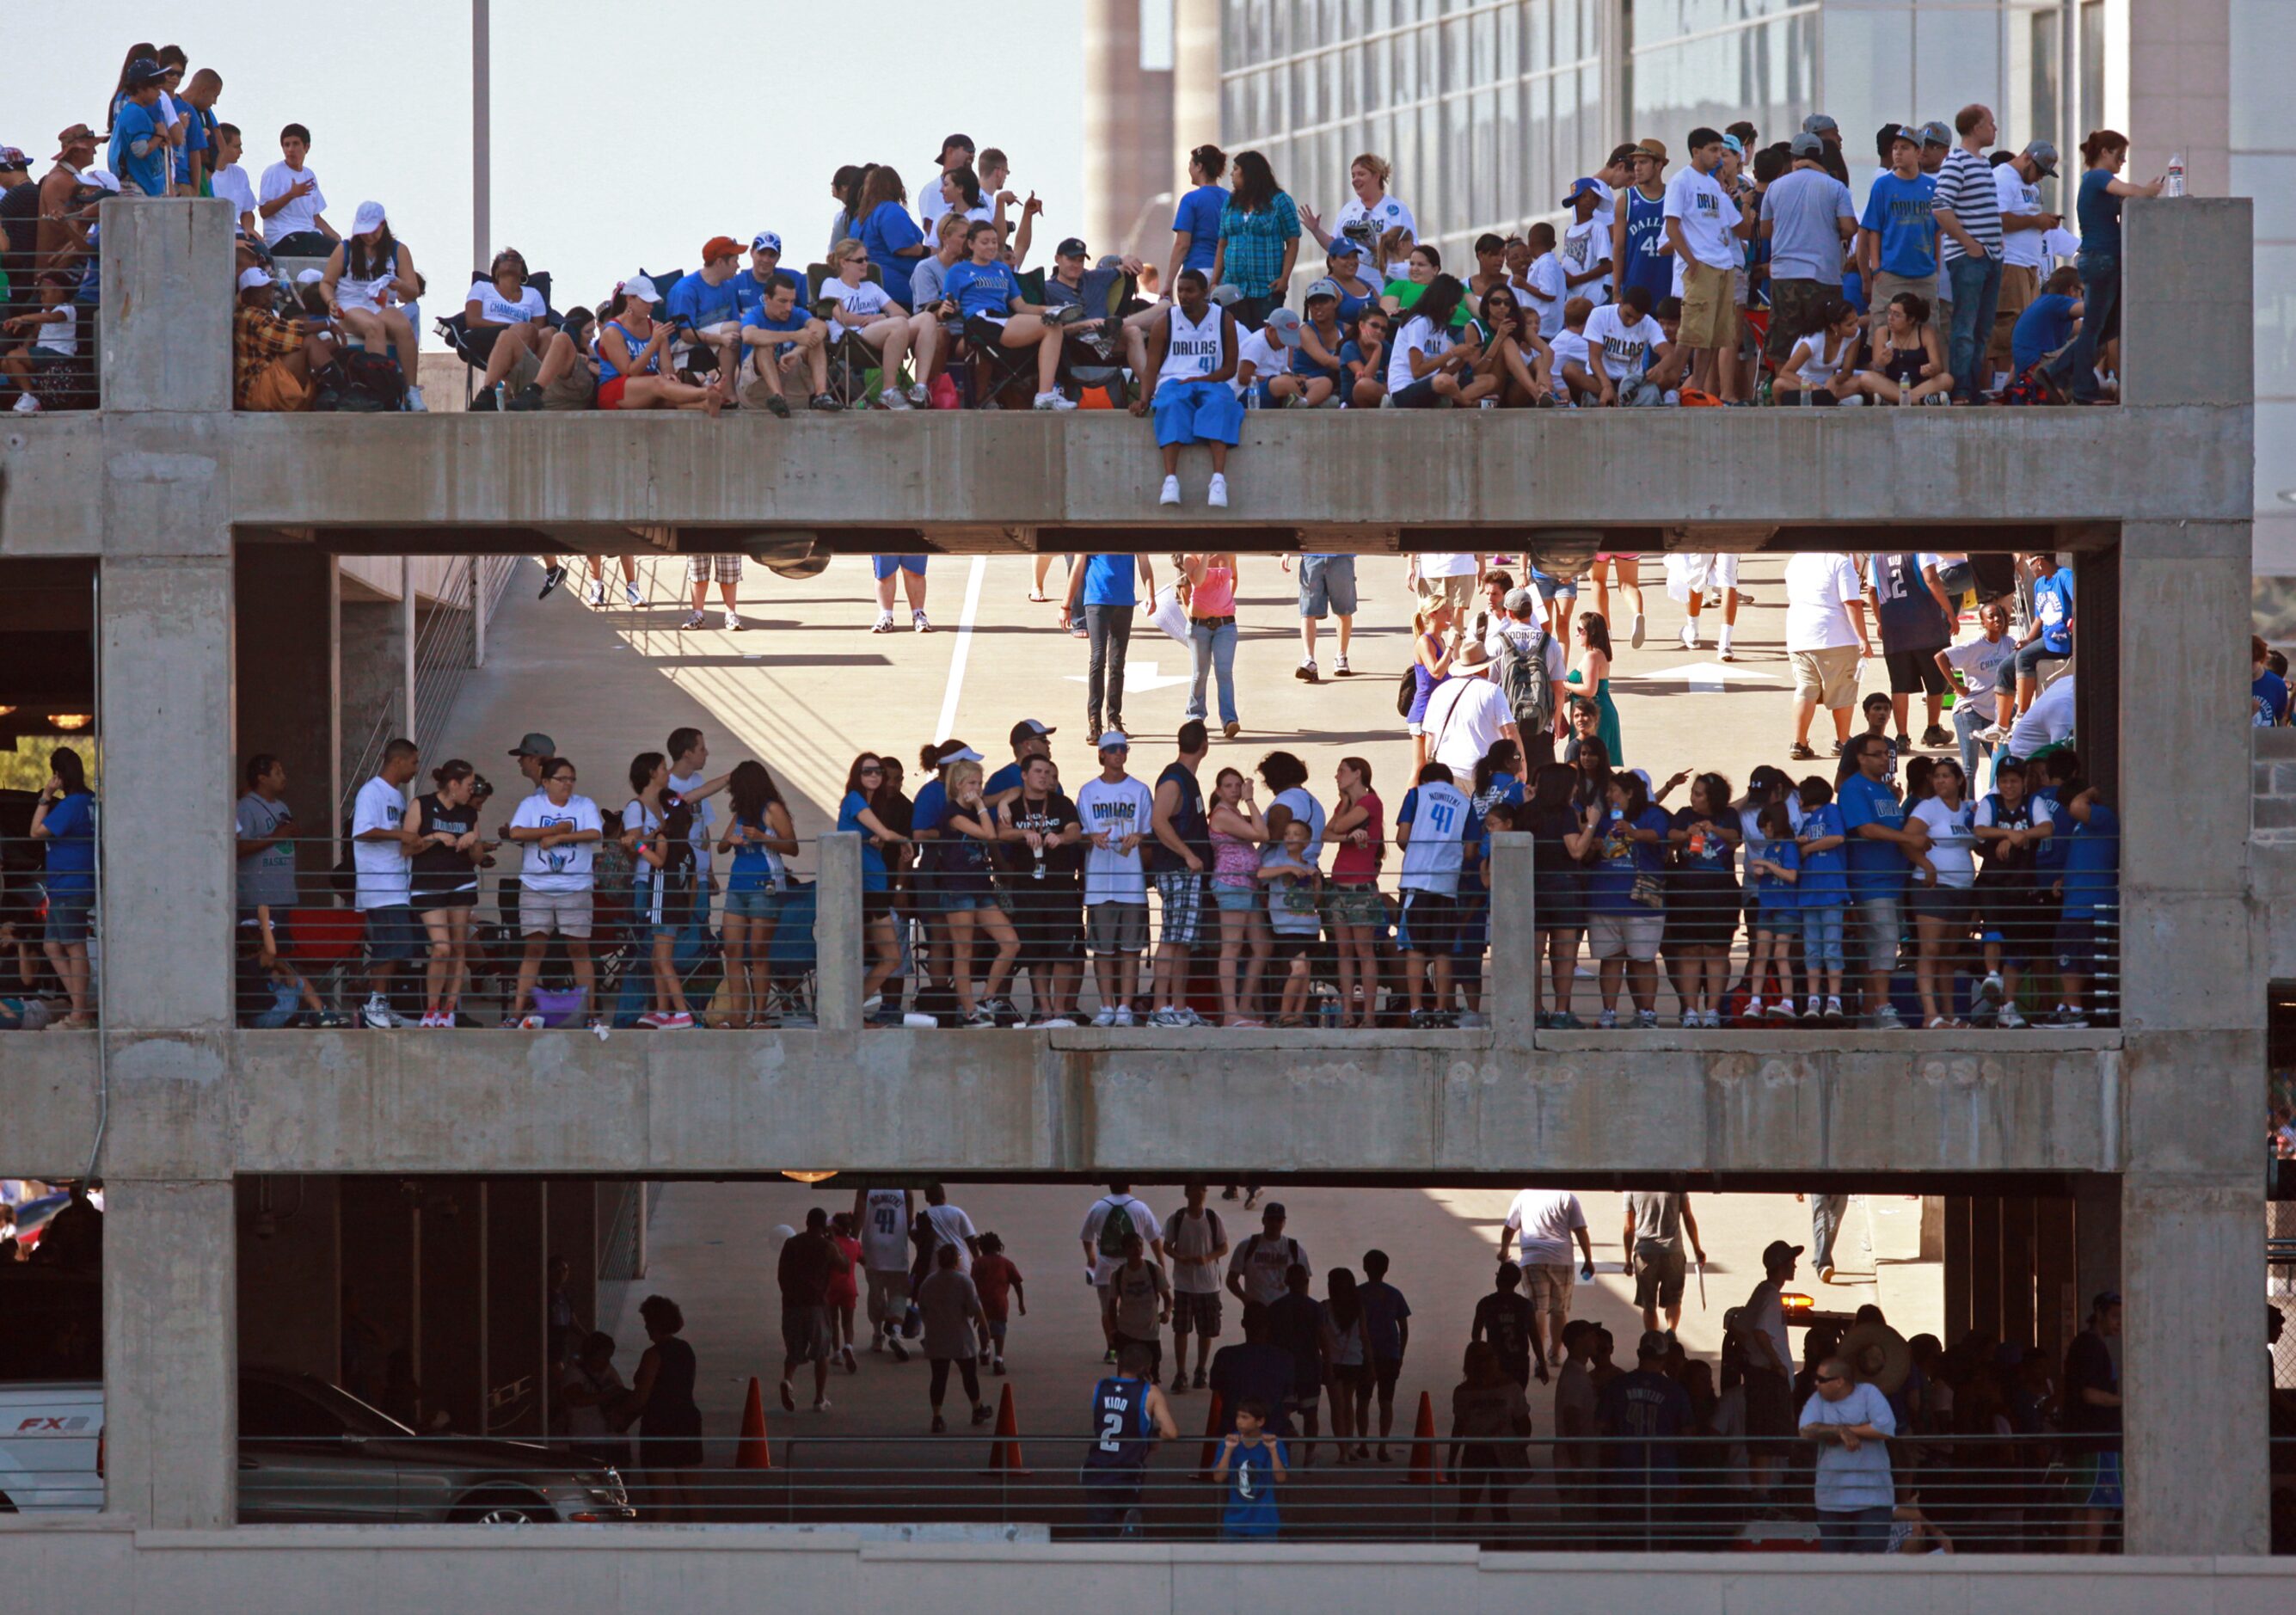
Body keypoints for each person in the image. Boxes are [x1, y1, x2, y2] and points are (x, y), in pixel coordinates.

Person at [2060, 131, 2161, 404]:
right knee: (2093, 329)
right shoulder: (2097, 177)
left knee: (2107, 326)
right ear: (2104, 152)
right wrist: (2146, 191)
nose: (2122, 162)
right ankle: (2082, 390)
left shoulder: (2096, 182)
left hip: (2105, 259)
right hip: (2101, 259)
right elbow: (2126, 190)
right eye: (2119, 156)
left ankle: (2056, 372)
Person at [505, 755, 605, 1029]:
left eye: (572, 779)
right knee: (534, 948)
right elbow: (516, 832)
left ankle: (591, 1013)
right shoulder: (531, 804)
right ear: (546, 782)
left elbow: (595, 833)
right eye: (562, 779)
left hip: (575, 887)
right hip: (537, 886)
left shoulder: (584, 805)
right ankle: (516, 1012)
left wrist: (561, 837)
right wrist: (552, 829)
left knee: (579, 948)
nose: (568, 784)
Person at [944, 218, 1075, 412]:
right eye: (985, 242)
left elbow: (1021, 306)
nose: (991, 246)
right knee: (1049, 327)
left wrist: (1048, 310)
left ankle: (1046, 394)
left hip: (1001, 319)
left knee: (1054, 325)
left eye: (994, 242)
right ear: (971, 244)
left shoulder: (1003, 270)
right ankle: (1045, 395)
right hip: (979, 320)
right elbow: (948, 303)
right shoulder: (959, 270)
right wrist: (946, 308)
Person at [1136, 268, 1241, 509]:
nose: (1183, 295)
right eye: (1180, 290)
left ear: (1204, 293)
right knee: (1170, 404)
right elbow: (1151, 368)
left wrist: (1200, 381)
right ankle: (1170, 480)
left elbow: (1230, 368)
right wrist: (1143, 398)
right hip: (1174, 380)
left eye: (1190, 290)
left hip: (1213, 379)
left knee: (1220, 405)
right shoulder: (1165, 321)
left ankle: (1218, 480)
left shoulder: (1224, 319)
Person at [1664, 128, 1753, 395]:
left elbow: (1742, 230)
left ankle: (1698, 392)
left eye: (1720, 151)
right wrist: (1692, 263)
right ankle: (1665, 385)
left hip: (1724, 266)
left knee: (1713, 340)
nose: (1718, 156)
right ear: (1696, 152)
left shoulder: (1715, 186)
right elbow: (1671, 227)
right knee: (1691, 336)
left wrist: (1746, 203)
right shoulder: (1681, 181)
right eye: (1713, 150)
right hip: (1701, 266)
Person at [1076, 734, 1155, 1025]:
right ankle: (1107, 1005)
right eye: (1112, 750)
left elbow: (1150, 830)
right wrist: (1091, 837)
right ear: (1101, 755)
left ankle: (1124, 1006)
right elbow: (1079, 833)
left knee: (1131, 949)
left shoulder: (1139, 790)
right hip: (1099, 882)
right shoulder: (1088, 791)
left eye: (1123, 749)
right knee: (1103, 949)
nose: (1118, 754)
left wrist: (1140, 837)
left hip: (1131, 883)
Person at [1395, 760, 1477, 1026]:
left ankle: (1417, 1010)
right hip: (1447, 884)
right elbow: (1470, 852)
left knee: (1415, 950)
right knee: (1443, 951)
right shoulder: (1465, 803)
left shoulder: (1416, 795)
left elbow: (1402, 838)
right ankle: (1443, 1010)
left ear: (1424, 779)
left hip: (1416, 882)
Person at [1587, 771, 1672, 1028]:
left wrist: (1633, 832)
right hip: (1605, 900)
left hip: (1642, 903)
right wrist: (1594, 841)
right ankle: (1609, 1012)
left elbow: (1659, 837)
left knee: (1644, 959)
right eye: (1608, 791)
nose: (1609, 795)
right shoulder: (1602, 818)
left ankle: (1647, 1012)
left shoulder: (1653, 814)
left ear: (1630, 793)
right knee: (1610, 958)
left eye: (1615, 791)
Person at [1598, 1329, 1696, 1550]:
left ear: (1638, 1353)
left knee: (1625, 1541)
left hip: (1625, 1474)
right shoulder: (1675, 1391)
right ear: (1664, 1358)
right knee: (1658, 1540)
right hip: (1662, 1475)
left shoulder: (1618, 1385)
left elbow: (1601, 1427)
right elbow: (1688, 1432)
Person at [403, 760, 483, 1028]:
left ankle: (448, 1010)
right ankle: (431, 1009)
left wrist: (473, 842)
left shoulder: (468, 814)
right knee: (441, 947)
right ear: (453, 785)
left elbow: (478, 856)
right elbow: (406, 848)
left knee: (458, 945)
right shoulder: (422, 804)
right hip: (428, 884)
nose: (471, 792)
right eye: (469, 786)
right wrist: (435, 837)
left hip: (461, 882)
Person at [1145, 722, 1213, 1027]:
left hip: (1188, 872)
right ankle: (1161, 1008)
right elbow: (1158, 822)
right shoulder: (1174, 780)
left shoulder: (1186, 778)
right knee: (1172, 938)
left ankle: (1179, 1006)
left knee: (1183, 941)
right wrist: (1187, 854)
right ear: (1205, 745)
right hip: (1176, 871)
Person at [321, 201, 423, 401]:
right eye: (363, 231)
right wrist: (330, 300)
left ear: (383, 226)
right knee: (374, 327)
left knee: (404, 328)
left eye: (372, 231)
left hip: (381, 303)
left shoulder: (398, 250)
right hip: (350, 302)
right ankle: (381, 389)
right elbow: (326, 282)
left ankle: (411, 390)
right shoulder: (346, 249)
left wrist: (398, 284)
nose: (368, 236)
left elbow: (412, 292)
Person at [1907, 757, 1979, 1027]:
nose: (1940, 781)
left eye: (1946, 776)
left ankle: (1949, 1015)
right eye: (1936, 776)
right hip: (1932, 887)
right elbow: (1909, 839)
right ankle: (1930, 1015)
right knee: (1930, 949)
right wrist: (1926, 865)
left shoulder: (1969, 809)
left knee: (1949, 953)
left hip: (1962, 889)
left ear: (1959, 780)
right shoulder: (1928, 808)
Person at [1081, 1340, 1178, 1537]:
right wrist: (1152, 1435)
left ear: (1120, 1363)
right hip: (1127, 1471)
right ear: (1147, 1367)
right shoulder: (1150, 1392)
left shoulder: (1099, 1387)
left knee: (1099, 1532)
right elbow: (1170, 1432)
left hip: (1097, 1469)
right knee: (1129, 1528)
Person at [1802, 1354, 1899, 1552]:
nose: (1816, 1383)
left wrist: (1847, 1431)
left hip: (1873, 1500)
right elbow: (1806, 1430)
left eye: (1822, 1379)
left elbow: (1885, 1428)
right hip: (1832, 1501)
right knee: (1836, 1569)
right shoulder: (1817, 1400)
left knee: (1868, 1566)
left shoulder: (1868, 1393)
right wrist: (1839, 1431)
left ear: (1839, 1381)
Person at [28, 749, 96, 1029]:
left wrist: (46, 795)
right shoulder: (91, 801)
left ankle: (79, 1013)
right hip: (72, 884)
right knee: (52, 945)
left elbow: (36, 832)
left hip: (70, 885)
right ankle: (80, 1005)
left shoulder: (72, 804)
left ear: (59, 775)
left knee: (73, 945)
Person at [838, 755, 911, 1020]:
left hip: (875, 886)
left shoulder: (872, 803)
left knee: (891, 956)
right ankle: (847, 1011)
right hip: (861, 887)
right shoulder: (855, 799)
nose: (874, 775)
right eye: (867, 770)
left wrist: (877, 840)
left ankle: (851, 1010)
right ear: (857, 774)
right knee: (858, 953)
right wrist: (903, 840)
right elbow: (888, 833)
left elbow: (877, 835)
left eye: (878, 771)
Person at [1784, 550, 1873, 759]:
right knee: (1843, 691)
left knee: (1806, 688)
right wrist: (1863, 638)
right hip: (1836, 637)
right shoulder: (1840, 562)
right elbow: (1851, 602)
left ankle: (1799, 742)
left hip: (1800, 636)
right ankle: (1843, 742)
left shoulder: (1796, 560)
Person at [623, 1294, 703, 1523]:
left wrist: (620, 1416)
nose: (646, 1326)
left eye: (647, 1321)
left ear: (654, 1323)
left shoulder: (653, 1355)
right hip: (687, 1423)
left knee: (661, 1497)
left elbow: (641, 1398)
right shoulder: (686, 1350)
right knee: (691, 1493)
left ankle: (659, 1547)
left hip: (660, 1426)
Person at [592, 278, 724, 414]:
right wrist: (653, 343)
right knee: (657, 383)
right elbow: (629, 372)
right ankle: (706, 392)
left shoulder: (656, 327)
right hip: (617, 389)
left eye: (652, 302)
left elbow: (667, 367)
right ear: (630, 299)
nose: (650, 306)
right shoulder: (613, 331)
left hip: (648, 386)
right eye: (645, 301)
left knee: (670, 396)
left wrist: (669, 376)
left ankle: (705, 404)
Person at [1063, 555, 1158, 739]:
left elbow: (1144, 562)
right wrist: (1066, 605)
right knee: (1097, 659)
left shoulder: (1131, 529)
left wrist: (1150, 594)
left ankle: (1114, 718)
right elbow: (1078, 567)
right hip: (1097, 599)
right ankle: (1094, 721)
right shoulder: (1092, 530)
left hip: (1124, 601)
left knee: (1117, 663)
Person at [1499, 1188, 1593, 1373]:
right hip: (1562, 1260)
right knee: (1559, 1310)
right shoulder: (1567, 1197)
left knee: (1537, 1309)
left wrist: (1504, 1252)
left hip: (1533, 1259)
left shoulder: (1524, 1196)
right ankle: (1555, 1354)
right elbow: (1580, 1231)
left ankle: (1539, 1358)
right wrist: (1588, 1260)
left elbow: (1509, 1229)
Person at [1206, 766, 1272, 1027]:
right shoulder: (1222, 814)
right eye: (1229, 786)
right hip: (1231, 884)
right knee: (1231, 947)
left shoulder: (1234, 812)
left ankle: (1243, 1008)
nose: (1234, 790)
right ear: (1219, 790)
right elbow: (1262, 834)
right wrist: (1251, 799)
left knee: (1262, 946)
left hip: (1248, 885)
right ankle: (1231, 1013)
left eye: (1238, 785)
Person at [1738, 1239, 1802, 1502]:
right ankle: (1762, 1497)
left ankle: (1763, 1494)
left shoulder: (1762, 1292)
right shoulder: (1770, 1295)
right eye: (1791, 1262)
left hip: (1761, 1374)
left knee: (1765, 1441)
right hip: (1767, 1376)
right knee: (1766, 1442)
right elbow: (1760, 1331)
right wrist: (1775, 1364)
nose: (1795, 1266)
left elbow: (1740, 1328)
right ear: (1782, 1266)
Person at [2050, 781, 2118, 1029]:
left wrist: (2090, 792)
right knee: (2070, 955)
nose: (2069, 809)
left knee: (2076, 957)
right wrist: (2063, 879)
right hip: (2076, 904)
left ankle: (2074, 1009)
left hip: (2091, 905)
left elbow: (2079, 806)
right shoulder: (2081, 826)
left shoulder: (2101, 817)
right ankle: (2070, 1006)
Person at [1859, 128, 1940, 336]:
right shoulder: (1883, 185)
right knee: (1884, 332)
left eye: (1904, 148)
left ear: (1918, 152)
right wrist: (1876, 269)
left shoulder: (1932, 187)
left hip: (1924, 274)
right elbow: (1873, 230)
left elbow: (1937, 230)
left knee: (1927, 333)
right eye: (1895, 148)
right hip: (1891, 273)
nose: (1897, 152)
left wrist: (1936, 267)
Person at [1212, 150, 1300, 329]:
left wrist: (1284, 278)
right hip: (1233, 289)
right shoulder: (1230, 202)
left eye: (1236, 169)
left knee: (1263, 336)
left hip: (1266, 288)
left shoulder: (1280, 201)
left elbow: (1292, 241)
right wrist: (1215, 280)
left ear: (1249, 173)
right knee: (1235, 338)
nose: (1231, 174)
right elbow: (1223, 243)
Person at [2065, 1290, 2124, 1551]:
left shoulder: (2088, 1344)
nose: (2119, 1323)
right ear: (2098, 1314)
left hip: (2088, 1440)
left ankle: (2077, 1564)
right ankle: (2087, 1562)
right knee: (2098, 1506)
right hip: (2098, 1440)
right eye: (2114, 1316)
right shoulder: (2090, 1346)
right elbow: (2089, 1393)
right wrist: (2126, 1402)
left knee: (2087, 1505)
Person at [1081, 1182, 1163, 1361]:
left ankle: (1112, 1348)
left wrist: (1091, 1257)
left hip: (1105, 1267)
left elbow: (1086, 1236)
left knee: (1107, 1308)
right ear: (1130, 1186)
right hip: (1135, 1268)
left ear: (1110, 1185)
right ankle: (1135, 1342)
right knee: (1134, 1306)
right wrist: (1160, 1262)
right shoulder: (1140, 1207)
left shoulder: (1098, 1206)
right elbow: (1154, 1238)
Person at [777, 1207, 849, 1413]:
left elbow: (781, 1274)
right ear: (823, 1225)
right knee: (821, 1353)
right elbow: (844, 1266)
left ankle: (788, 1380)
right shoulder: (826, 1246)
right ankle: (819, 1398)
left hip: (792, 1305)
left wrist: (788, 1297)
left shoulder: (791, 1244)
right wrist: (834, 1240)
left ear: (807, 1222)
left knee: (793, 1351)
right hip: (816, 1306)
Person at [917, 1243, 992, 1434]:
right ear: (956, 1260)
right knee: (969, 1376)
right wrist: (985, 1328)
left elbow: (922, 1308)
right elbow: (975, 1307)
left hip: (936, 1337)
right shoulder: (964, 1281)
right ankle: (977, 1409)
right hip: (960, 1337)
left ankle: (937, 1416)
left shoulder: (929, 1282)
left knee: (938, 1378)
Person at [1163, 1182, 1230, 1392]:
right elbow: (1166, 1246)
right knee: (1181, 1329)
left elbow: (1223, 1247)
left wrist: (1207, 1258)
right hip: (1184, 1283)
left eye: (1203, 1189)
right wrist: (1179, 1257)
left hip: (1208, 1284)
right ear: (1186, 1192)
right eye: (1196, 1188)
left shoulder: (1212, 1218)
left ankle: (1201, 1370)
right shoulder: (1177, 1219)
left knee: (1205, 1331)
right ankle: (1181, 1372)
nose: (1200, 1192)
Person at [1209, 1302, 1299, 1441]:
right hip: (1271, 1431)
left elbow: (1217, 1388)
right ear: (1269, 1325)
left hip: (1234, 1431)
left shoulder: (1225, 1356)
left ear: (1243, 1324)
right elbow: (1288, 1398)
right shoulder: (1285, 1359)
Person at [1354, 1250, 1412, 1463]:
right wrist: (1401, 1354)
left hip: (1363, 1356)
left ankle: (1362, 1444)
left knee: (1362, 1399)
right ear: (1386, 1269)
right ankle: (1383, 1445)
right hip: (1389, 1354)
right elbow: (1404, 1328)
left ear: (1364, 1267)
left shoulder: (1358, 1293)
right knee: (1386, 1401)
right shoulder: (1394, 1294)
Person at [1623, 1191, 1705, 1337]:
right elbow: (1688, 1216)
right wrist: (1697, 1249)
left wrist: (1628, 1260)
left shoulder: (1632, 1189)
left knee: (1649, 1305)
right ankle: (1671, 1332)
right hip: (1673, 1251)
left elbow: (1629, 1228)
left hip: (1645, 1253)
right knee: (1674, 1299)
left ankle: (1653, 1339)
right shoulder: (1676, 1184)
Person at [1180, 554, 1243, 739]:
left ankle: (1229, 720)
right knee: (1200, 673)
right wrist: (1205, 555)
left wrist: (1226, 599)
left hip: (1226, 624)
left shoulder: (1229, 553)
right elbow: (1197, 581)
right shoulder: (1191, 557)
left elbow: (1234, 577)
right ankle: (1195, 715)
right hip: (1199, 626)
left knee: (1224, 672)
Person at [1855, 291, 1952, 405]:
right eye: (1890, 313)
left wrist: (1931, 369)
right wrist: (1880, 364)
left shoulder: (1925, 333)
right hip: (1892, 385)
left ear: (1911, 319)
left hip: (1921, 385)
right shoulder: (1882, 332)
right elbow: (1876, 370)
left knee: (1946, 379)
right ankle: (1919, 400)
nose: (1890, 318)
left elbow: (1938, 368)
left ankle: (1893, 400)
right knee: (1866, 378)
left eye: (1897, 315)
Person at [1214, 1397, 1289, 1540]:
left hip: (1264, 1521)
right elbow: (1218, 1477)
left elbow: (1281, 1478)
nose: (1239, 1421)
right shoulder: (1228, 1442)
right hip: (1233, 1522)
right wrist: (1228, 1450)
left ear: (1260, 1422)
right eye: (1238, 1416)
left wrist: (1273, 1451)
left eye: (1245, 1417)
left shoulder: (1274, 1443)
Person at [1227, 1201, 1308, 1311]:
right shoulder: (1247, 1246)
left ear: (1284, 1223)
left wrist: (1302, 1305)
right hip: (1257, 1310)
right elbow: (1231, 1279)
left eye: (1278, 1220)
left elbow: (1304, 1280)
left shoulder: (1294, 1248)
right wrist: (1245, 1299)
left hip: (1286, 1310)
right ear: (1263, 1221)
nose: (1274, 1224)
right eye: (1271, 1219)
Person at [971, 1231, 1024, 1374]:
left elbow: (972, 1283)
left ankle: (984, 1351)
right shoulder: (1006, 1263)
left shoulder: (978, 1263)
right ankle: (998, 1358)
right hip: (1000, 1303)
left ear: (981, 1248)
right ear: (998, 1246)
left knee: (983, 1327)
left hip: (982, 1303)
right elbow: (1017, 1283)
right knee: (1000, 1330)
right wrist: (1021, 1303)